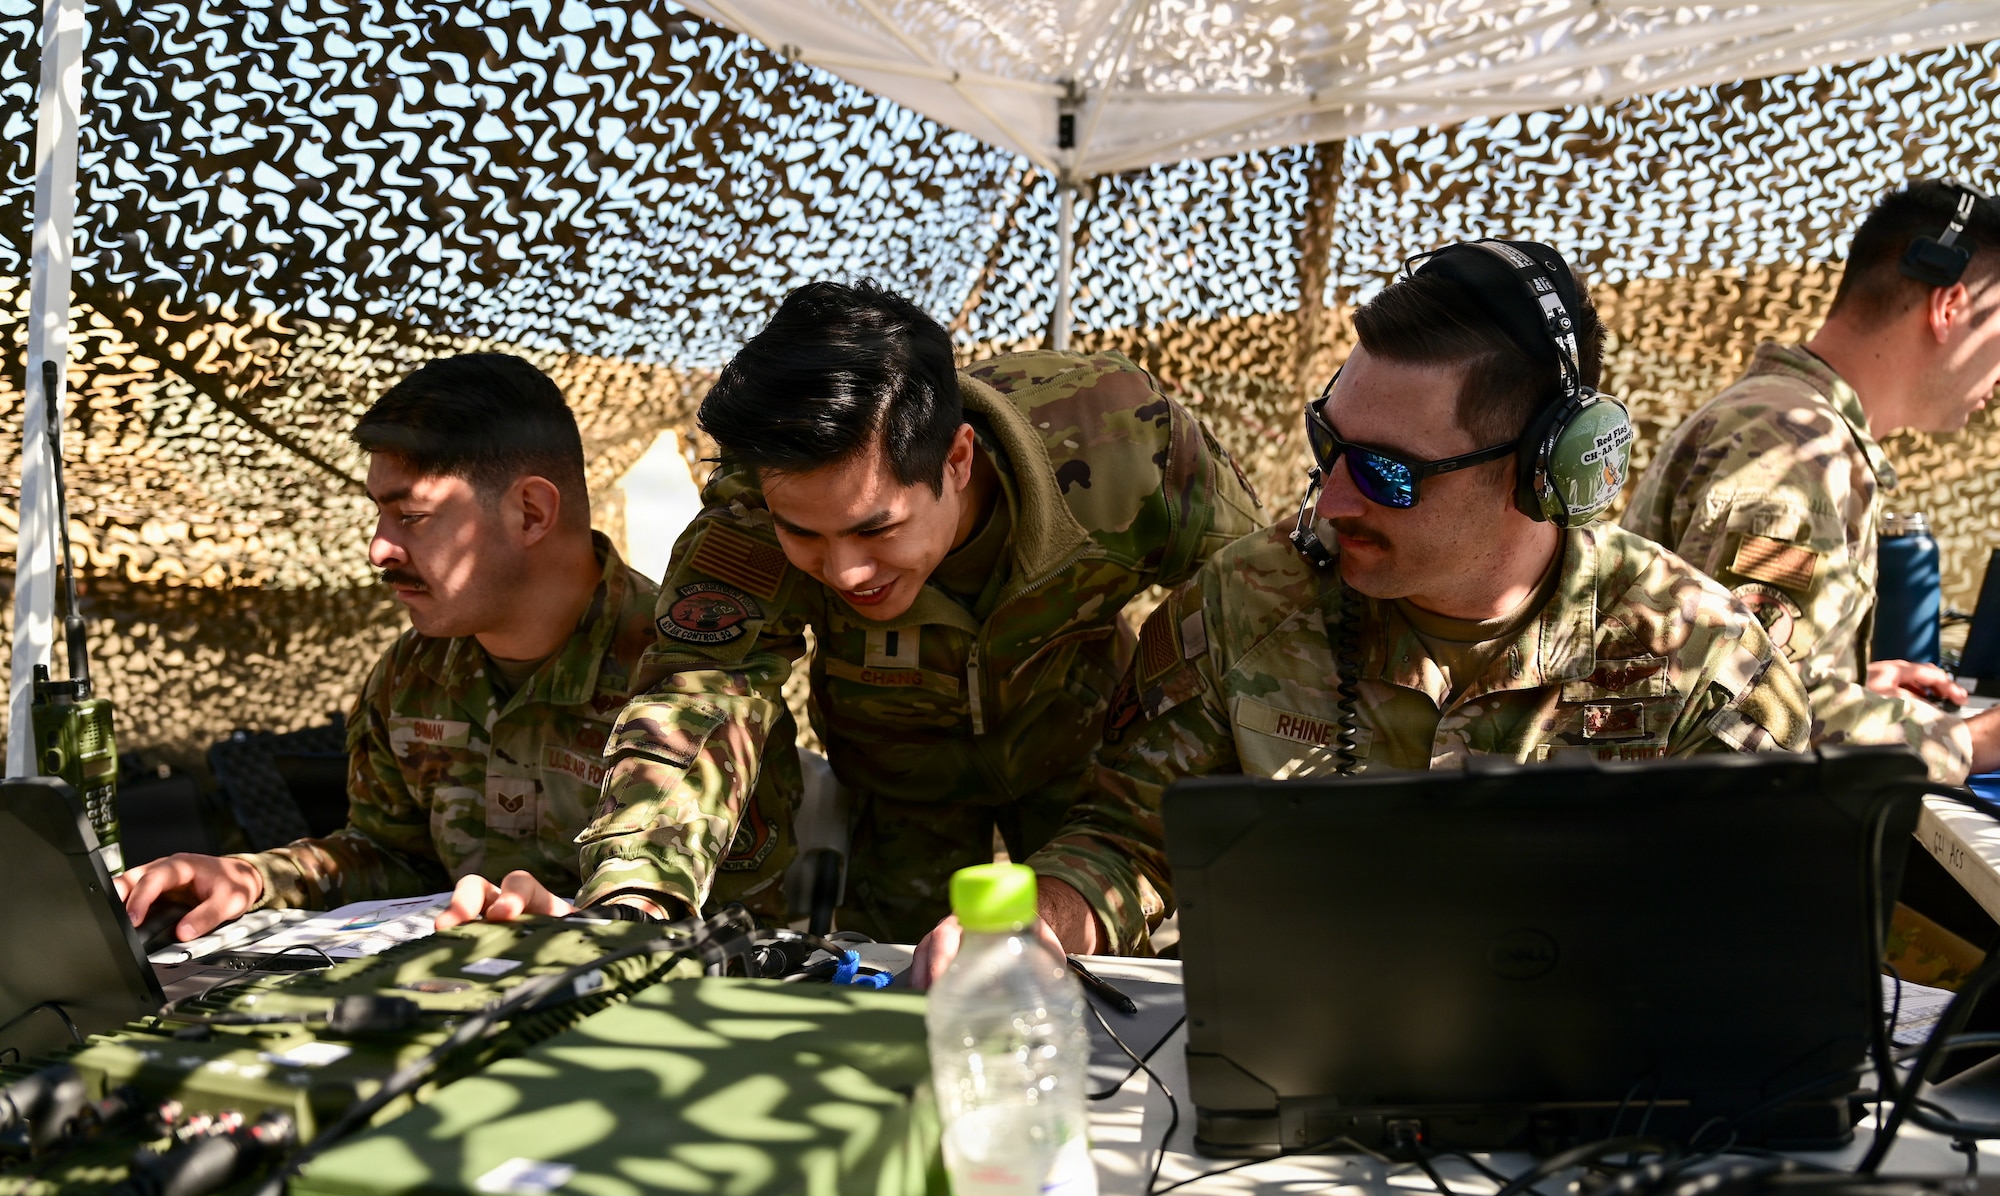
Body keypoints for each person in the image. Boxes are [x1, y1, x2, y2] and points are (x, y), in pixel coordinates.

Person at [911, 239, 1815, 984]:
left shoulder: (1702, 661)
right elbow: (1129, 840)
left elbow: (1765, 935)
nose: (1332, 498)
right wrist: (1044, 919)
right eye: (1326, 442)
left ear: (1541, 472)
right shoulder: (1247, 599)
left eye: (1387, 471)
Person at [439, 279, 1265, 940]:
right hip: (898, 784)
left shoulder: (1123, 437)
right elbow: (699, 696)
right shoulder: (749, 512)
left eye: (877, 527)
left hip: (1084, 761)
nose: (845, 570)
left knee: (1120, 991)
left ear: (958, 458)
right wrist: (635, 895)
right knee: (908, 981)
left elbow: (1252, 605)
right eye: (807, 533)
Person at [115, 353, 658, 941]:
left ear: (529, 513)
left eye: (412, 515)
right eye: (381, 515)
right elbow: (393, 858)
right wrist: (252, 878)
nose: (379, 549)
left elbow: (749, 920)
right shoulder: (413, 674)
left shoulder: (685, 674)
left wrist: (602, 924)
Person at [1624, 179, 2000, 784]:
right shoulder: (1792, 450)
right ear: (1949, 308)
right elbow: (1744, 718)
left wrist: (1848, 686)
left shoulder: (1784, 424)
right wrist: (1971, 740)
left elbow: (1747, 668)